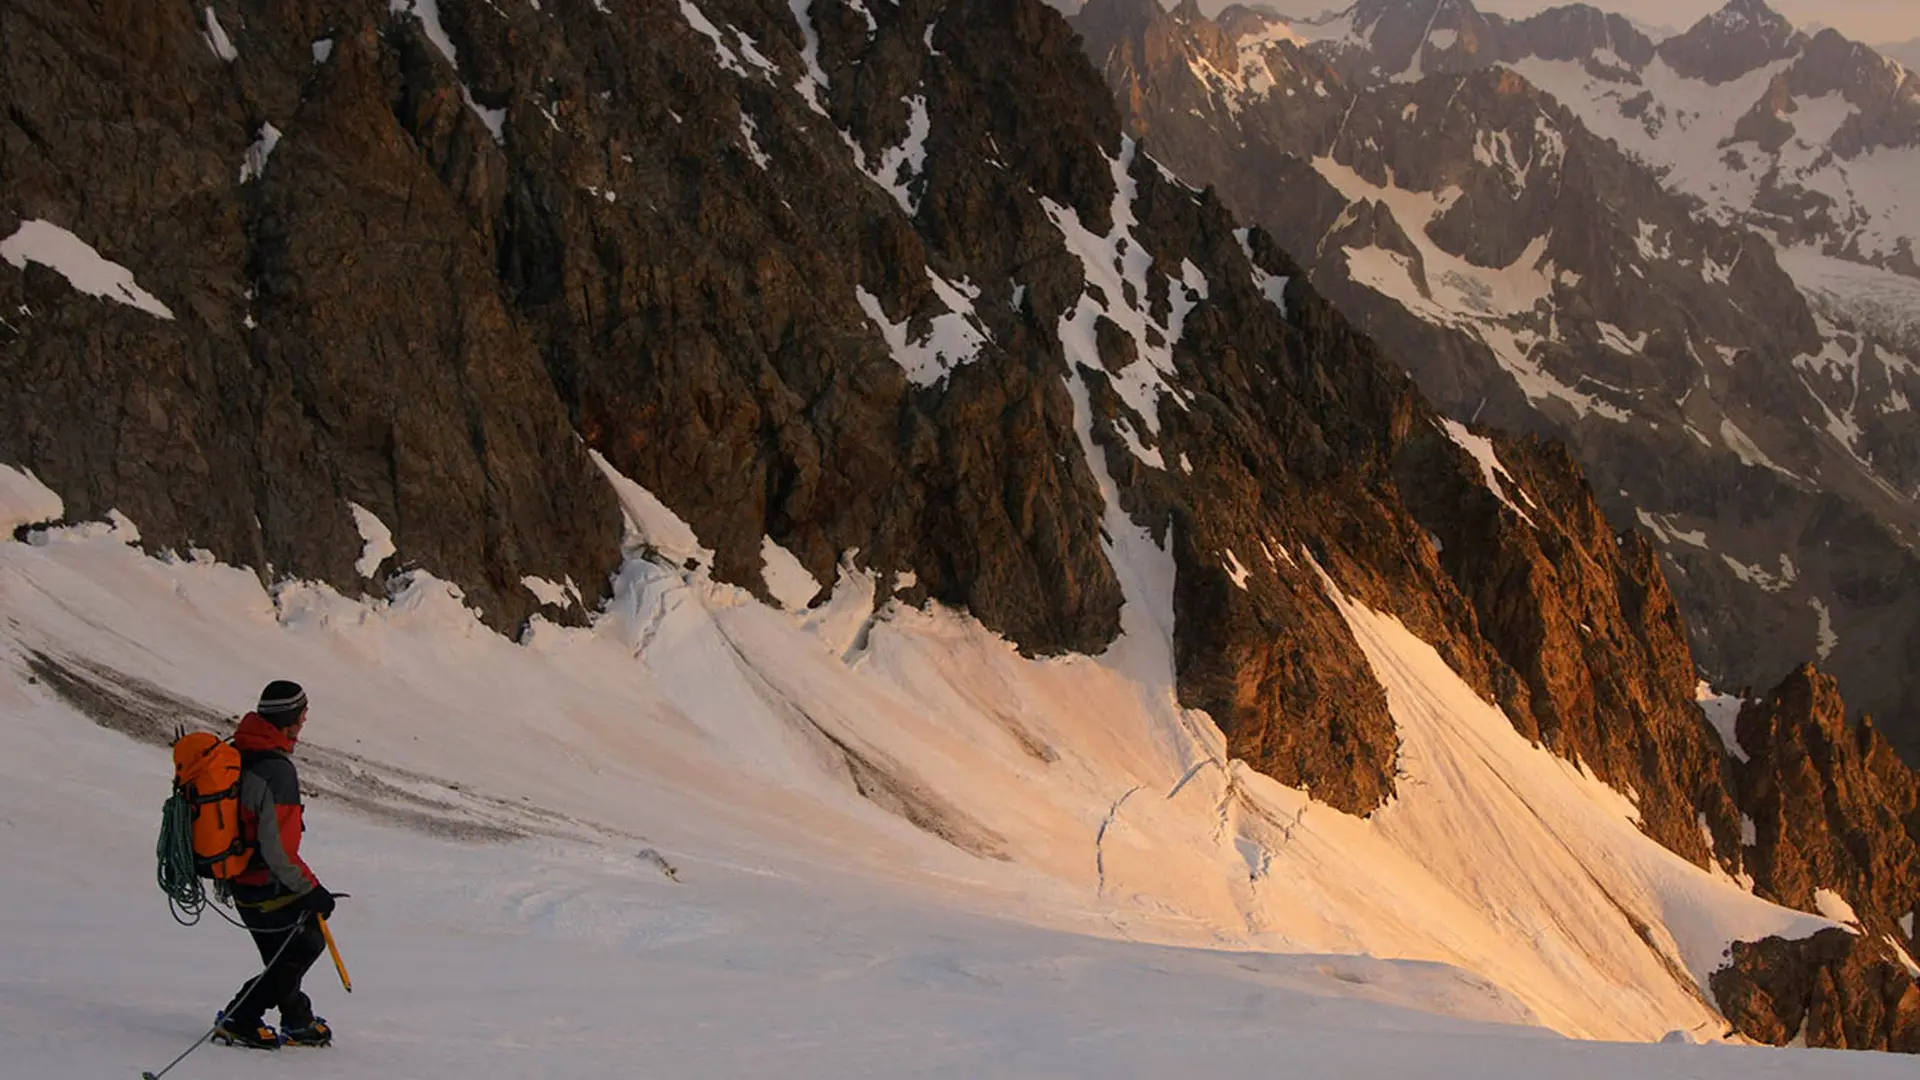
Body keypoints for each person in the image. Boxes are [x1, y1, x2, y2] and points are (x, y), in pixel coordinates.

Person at [213, 680, 337, 1050]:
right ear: (290, 721)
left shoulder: (238, 750)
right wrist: (312, 890)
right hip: (264, 882)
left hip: (237, 877)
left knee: (281, 954)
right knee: (306, 944)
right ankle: (241, 1016)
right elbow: (279, 851)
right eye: (302, 715)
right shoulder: (277, 772)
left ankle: (297, 1020)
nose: (304, 722)